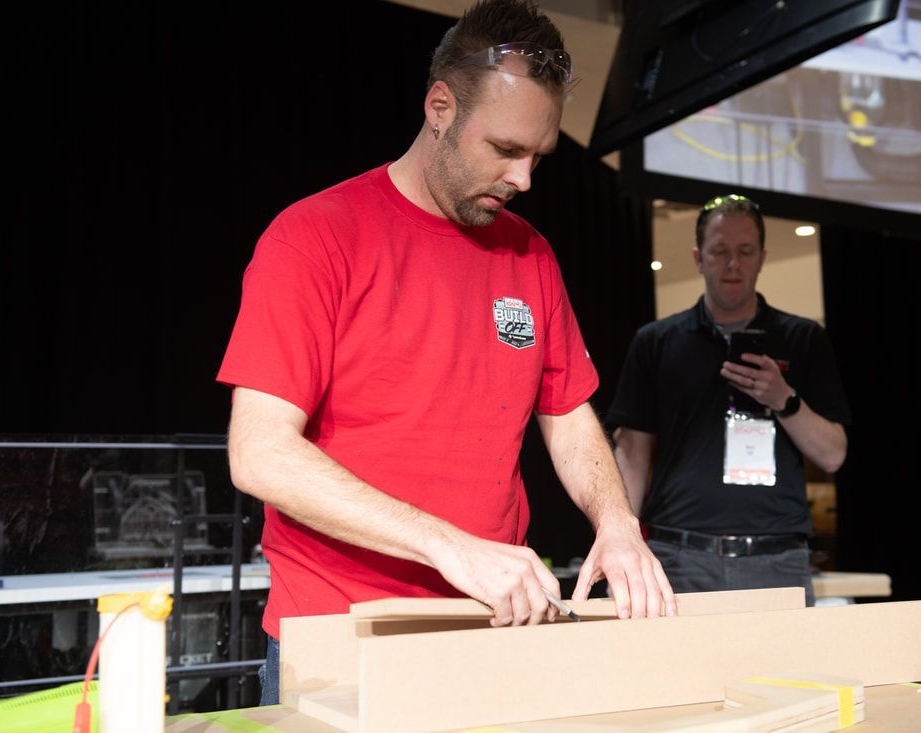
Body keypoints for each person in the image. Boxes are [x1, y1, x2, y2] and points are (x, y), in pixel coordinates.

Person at [217, 0, 674, 705]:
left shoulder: (531, 255)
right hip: (344, 637)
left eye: (537, 157)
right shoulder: (314, 237)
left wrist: (617, 522)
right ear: (440, 107)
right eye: (505, 150)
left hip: (495, 631)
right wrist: (449, 545)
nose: (524, 178)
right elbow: (259, 452)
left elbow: (568, 413)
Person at [607, 194, 851, 607]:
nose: (733, 264)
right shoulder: (657, 342)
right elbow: (632, 454)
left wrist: (784, 399)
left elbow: (833, 455)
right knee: (679, 672)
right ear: (699, 258)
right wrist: (620, 547)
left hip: (776, 560)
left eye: (745, 251)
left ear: (762, 257)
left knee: (783, 673)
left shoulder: (803, 338)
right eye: (720, 251)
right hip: (679, 557)